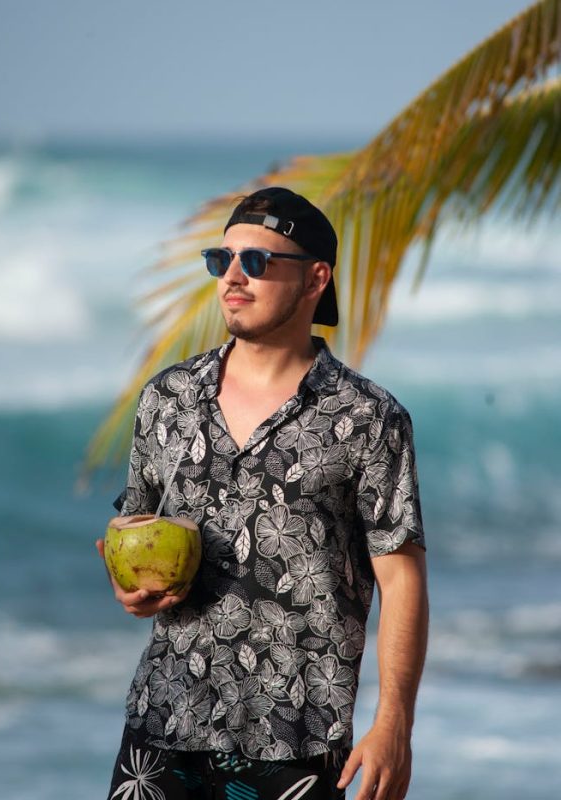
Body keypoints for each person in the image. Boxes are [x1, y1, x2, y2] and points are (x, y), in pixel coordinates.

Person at [96, 187, 428, 800]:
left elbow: (401, 576)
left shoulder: (367, 417)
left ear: (314, 279)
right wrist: (128, 587)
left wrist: (394, 724)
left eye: (256, 262)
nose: (232, 279)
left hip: (300, 742)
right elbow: (131, 530)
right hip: (163, 726)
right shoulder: (168, 400)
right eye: (221, 261)